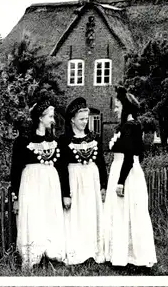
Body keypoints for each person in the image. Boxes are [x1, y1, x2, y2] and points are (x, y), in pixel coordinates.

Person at [10, 99, 69, 268]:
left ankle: (51, 254)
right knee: (33, 217)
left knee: (50, 215)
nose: (53, 120)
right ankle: (33, 256)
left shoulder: (55, 142)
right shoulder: (22, 142)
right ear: (40, 118)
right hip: (31, 185)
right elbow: (15, 172)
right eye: (50, 116)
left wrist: (65, 194)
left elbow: (62, 169)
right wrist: (15, 197)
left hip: (51, 186)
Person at [103, 86, 157, 269]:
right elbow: (139, 155)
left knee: (122, 212)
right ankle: (130, 255)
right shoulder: (135, 126)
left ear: (125, 107)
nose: (115, 110)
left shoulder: (129, 127)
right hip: (132, 171)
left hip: (124, 172)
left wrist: (120, 181)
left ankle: (125, 257)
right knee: (130, 213)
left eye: (117, 106)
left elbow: (128, 155)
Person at [58, 97, 108, 265]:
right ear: (72, 119)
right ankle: (77, 252)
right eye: (81, 119)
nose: (84, 122)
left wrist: (103, 185)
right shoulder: (64, 140)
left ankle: (92, 251)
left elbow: (101, 162)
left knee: (91, 214)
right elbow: (62, 169)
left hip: (91, 181)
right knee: (77, 215)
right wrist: (66, 194)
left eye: (86, 119)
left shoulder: (94, 137)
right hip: (75, 181)